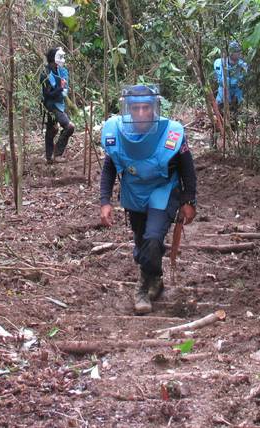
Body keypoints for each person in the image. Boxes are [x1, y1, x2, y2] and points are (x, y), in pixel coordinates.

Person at [98, 85, 198, 314]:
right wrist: (105, 201)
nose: (141, 113)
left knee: (153, 237)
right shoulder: (116, 131)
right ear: (128, 109)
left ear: (154, 108)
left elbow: (187, 167)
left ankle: (142, 286)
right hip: (134, 192)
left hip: (163, 190)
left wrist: (189, 200)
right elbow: (109, 167)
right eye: (136, 108)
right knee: (142, 241)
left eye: (146, 108)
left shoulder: (171, 133)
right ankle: (155, 278)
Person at [41, 47, 75, 163]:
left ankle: (50, 157)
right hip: (51, 105)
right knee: (69, 127)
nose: (62, 59)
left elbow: (64, 89)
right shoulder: (46, 73)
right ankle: (56, 155)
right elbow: (47, 94)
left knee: (52, 129)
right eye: (60, 57)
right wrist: (60, 88)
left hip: (59, 103)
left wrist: (62, 88)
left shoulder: (61, 71)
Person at [213, 41, 248, 126]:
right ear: (231, 52)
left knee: (234, 115)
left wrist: (236, 96)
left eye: (239, 51)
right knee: (219, 114)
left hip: (236, 91)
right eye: (236, 51)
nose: (238, 53)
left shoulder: (242, 66)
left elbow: (242, 82)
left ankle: (233, 127)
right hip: (222, 92)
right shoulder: (219, 63)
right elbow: (218, 77)